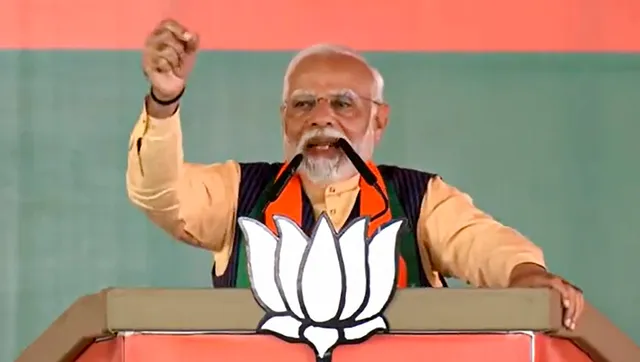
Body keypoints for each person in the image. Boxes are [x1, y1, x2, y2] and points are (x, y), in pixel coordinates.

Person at [126, 19, 584, 330]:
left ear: (378, 122)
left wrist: (525, 275)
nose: (321, 118)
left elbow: (484, 245)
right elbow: (160, 195)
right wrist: (164, 103)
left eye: (343, 104)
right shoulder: (240, 193)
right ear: (284, 118)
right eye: (304, 104)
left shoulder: (419, 198)